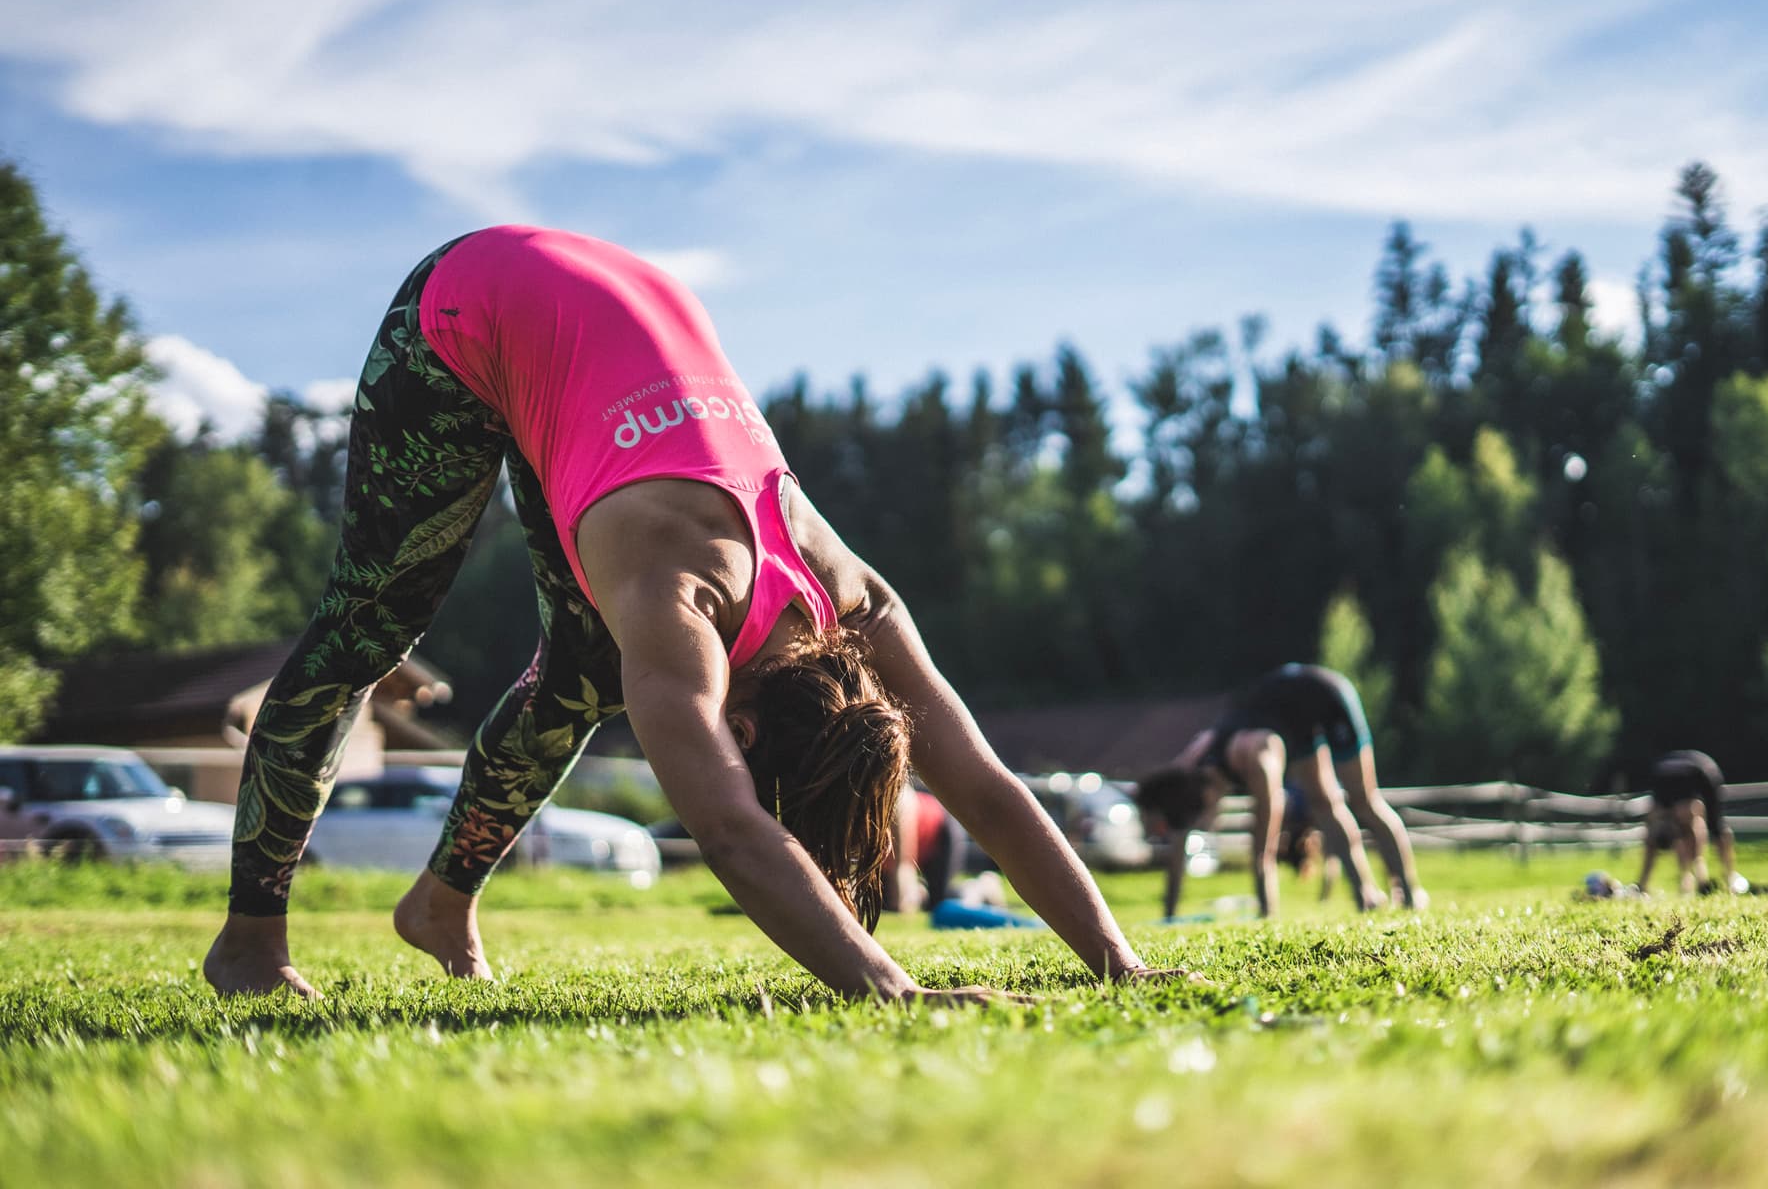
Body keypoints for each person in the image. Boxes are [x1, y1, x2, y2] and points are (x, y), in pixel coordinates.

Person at [201, 226, 1184, 1002]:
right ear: (741, 726)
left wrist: (1117, 959)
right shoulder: (676, 599)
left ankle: (439, 904)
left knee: (584, 665)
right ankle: (250, 938)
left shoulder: (858, 599)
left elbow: (983, 782)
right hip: (467, 303)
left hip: (613, 314)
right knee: (369, 625)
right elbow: (727, 826)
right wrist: (896, 987)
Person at [1134, 663, 1425, 919]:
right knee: (1324, 805)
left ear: (1208, 798)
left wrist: (1267, 913)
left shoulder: (1259, 759)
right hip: (1290, 718)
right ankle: (1366, 897)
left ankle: (1410, 893)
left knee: (1364, 802)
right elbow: (1178, 841)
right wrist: (1169, 915)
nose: (1210, 822)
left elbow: (1264, 853)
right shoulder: (1192, 765)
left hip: (1325, 694)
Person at [1634, 750, 1744, 895]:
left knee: (1715, 826)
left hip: (1704, 771)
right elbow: (1654, 830)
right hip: (1668, 777)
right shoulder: (1658, 811)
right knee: (1669, 827)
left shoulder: (1689, 799)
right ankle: (1644, 885)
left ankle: (1728, 876)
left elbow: (1697, 812)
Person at [882, 787, 965, 914]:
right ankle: (920, 892)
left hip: (941, 832)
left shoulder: (899, 802)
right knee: (884, 901)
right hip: (911, 851)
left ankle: (981, 888)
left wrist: (901, 906)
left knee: (939, 903)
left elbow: (904, 865)